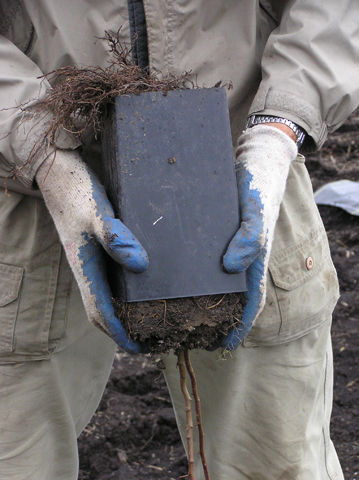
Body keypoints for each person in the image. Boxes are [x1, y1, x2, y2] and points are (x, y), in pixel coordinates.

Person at [0, 1, 358, 478]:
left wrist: (280, 128)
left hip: (244, 176)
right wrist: (40, 151)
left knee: (276, 460)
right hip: (32, 181)